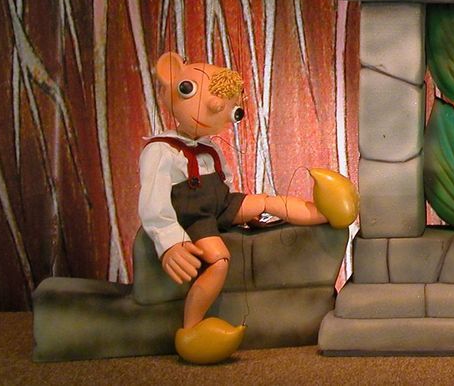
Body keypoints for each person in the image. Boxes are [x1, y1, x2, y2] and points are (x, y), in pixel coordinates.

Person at [140, 52, 358, 363]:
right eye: (190, 91)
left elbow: (224, 184)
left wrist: (240, 214)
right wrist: (170, 242)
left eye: (232, 111)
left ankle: (327, 213)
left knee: (267, 201)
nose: (215, 111)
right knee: (218, 260)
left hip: (221, 204)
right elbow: (154, 202)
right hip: (195, 217)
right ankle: (192, 328)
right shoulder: (161, 150)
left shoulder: (209, 148)